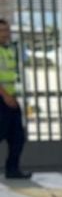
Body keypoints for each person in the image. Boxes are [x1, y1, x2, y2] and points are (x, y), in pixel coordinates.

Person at [0, 18, 30, 179]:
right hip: (2, 99)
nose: (5, 34)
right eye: (2, 30)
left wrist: (13, 96)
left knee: (17, 136)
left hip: (10, 98)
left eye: (7, 30)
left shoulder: (9, 50)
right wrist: (5, 96)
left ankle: (12, 170)